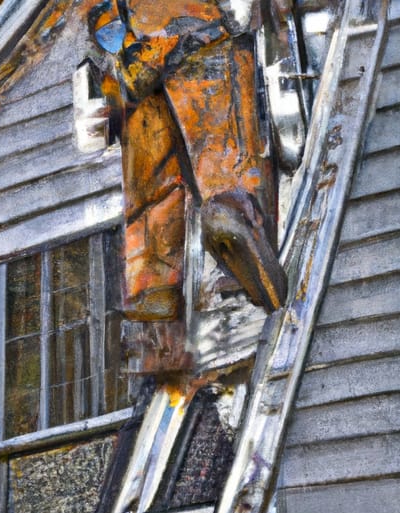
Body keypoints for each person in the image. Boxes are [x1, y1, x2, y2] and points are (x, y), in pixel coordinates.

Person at [86, 0, 287, 325]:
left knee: (151, 152)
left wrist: (113, 35)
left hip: (134, 44)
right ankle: (234, 212)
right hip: (190, 28)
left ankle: (153, 282)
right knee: (219, 154)